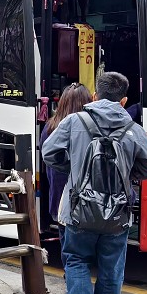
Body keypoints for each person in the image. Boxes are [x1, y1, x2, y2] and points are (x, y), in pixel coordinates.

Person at [40, 71, 147, 294]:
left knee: (76, 258)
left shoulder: (73, 121)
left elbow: (48, 153)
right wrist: (129, 173)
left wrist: (74, 172)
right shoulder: (133, 130)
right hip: (117, 212)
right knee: (112, 265)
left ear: (95, 96)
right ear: (124, 100)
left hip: (78, 208)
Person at [39, 82, 93, 243]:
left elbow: (46, 157)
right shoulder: (91, 127)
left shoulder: (50, 127)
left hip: (59, 198)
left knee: (69, 252)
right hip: (86, 200)